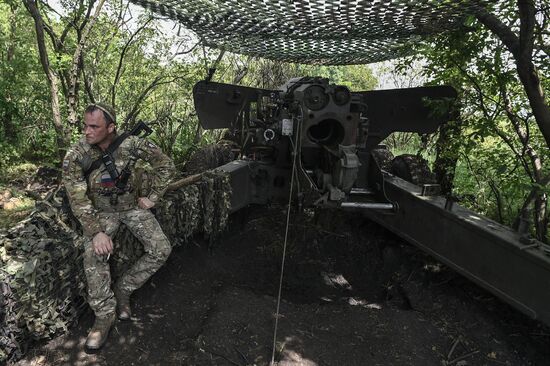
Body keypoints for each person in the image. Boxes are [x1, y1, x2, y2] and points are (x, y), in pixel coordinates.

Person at [62, 103, 174, 350]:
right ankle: (104, 315)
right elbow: (77, 198)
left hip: (132, 207)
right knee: (93, 254)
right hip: (101, 213)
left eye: (94, 126)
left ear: (111, 127)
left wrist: (153, 197)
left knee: (161, 249)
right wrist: (96, 232)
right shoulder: (77, 154)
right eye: (85, 125)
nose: (87, 131)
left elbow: (166, 165)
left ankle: (124, 289)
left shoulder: (133, 144)